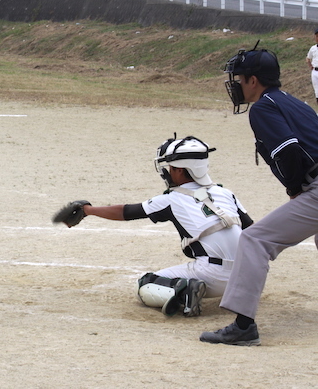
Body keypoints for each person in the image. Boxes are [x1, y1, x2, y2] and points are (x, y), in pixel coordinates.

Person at [200, 45, 318, 346]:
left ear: (254, 81)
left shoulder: (264, 107)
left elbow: (289, 151)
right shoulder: (293, 102)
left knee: (255, 240)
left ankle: (243, 326)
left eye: (240, 79)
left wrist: (294, 189)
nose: (237, 85)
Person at [61, 135, 253, 317]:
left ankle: (187, 292)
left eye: (170, 167)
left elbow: (126, 212)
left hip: (212, 275)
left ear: (179, 170)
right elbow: (252, 230)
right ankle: (240, 292)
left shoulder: (173, 198)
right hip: (246, 276)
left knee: (146, 285)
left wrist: (88, 210)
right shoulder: (226, 193)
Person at [306, 28, 318, 106]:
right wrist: (310, 65)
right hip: (315, 71)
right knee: (317, 92)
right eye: (316, 36)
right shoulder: (313, 48)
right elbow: (308, 58)